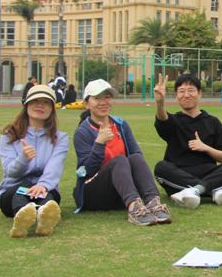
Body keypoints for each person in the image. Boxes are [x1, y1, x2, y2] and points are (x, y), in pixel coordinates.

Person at [73, 79, 171, 226]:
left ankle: (153, 202)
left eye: (107, 97)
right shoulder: (83, 132)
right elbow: (86, 172)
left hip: (120, 191)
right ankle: (134, 208)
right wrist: (99, 143)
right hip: (93, 194)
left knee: (135, 157)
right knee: (119, 160)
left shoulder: (120, 125)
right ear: (87, 103)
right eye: (97, 98)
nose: (103, 102)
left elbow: (136, 156)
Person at [153, 73, 222, 208]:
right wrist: (160, 102)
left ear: (200, 94)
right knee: (161, 167)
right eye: (181, 91)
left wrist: (205, 147)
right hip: (179, 175)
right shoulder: (173, 121)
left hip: (209, 173)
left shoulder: (213, 122)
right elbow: (162, 119)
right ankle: (212, 190)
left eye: (191, 90)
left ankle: (194, 191)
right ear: (176, 96)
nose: (186, 95)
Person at [0, 84, 68, 238]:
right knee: (20, 193)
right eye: (35, 101)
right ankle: (22, 217)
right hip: (12, 191)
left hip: (45, 189)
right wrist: (23, 158)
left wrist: (42, 185)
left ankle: (43, 219)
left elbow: (54, 167)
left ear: (52, 108)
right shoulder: (9, 135)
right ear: (26, 104)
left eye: (46, 102)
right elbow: (10, 172)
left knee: (48, 197)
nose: (40, 105)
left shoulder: (60, 138)